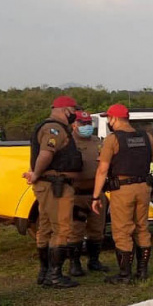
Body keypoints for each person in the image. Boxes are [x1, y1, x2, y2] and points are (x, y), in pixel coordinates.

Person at [91, 104, 153, 283]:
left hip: (122, 189)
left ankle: (124, 275)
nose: (108, 121)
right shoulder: (146, 137)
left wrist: (95, 196)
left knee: (122, 230)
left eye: (108, 118)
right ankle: (142, 272)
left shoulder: (112, 139)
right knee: (141, 228)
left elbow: (102, 170)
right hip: (143, 187)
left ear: (114, 119)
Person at [23, 95, 84, 289]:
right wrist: (36, 174)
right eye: (73, 110)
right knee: (62, 228)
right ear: (65, 110)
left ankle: (45, 272)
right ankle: (54, 275)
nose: (75, 114)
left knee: (46, 228)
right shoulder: (54, 129)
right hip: (55, 186)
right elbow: (46, 154)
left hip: (50, 185)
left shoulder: (54, 127)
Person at [67, 110, 109, 276]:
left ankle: (94, 261)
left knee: (97, 229)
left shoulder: (97, 141)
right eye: (82, 123)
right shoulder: (67, 142)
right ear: (74, 124)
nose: (86, 126)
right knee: (75, 230)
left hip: (97, 193)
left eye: (88, 123)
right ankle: (74, 264)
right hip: (76, 194)